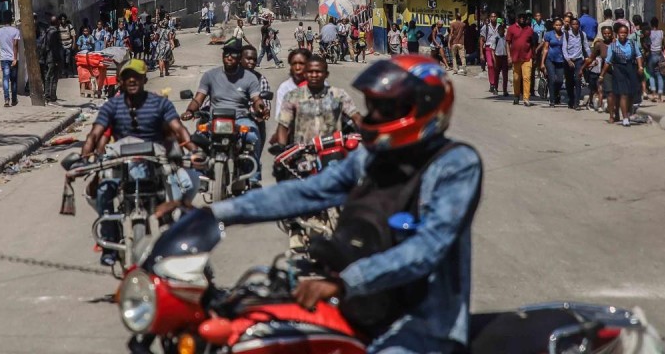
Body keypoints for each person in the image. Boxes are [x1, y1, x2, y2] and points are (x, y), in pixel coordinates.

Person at [171, 55, 482, 354]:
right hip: (362, 306)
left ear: (421, 108)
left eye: (384, 107)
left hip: (421, 322)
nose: (374, 115)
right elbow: (307, 193)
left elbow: (429, 246)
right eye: (372, 106)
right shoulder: (371, 157)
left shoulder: (454, 165)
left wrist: (345, 283)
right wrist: (217, 212)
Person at [78, 59, 200, 265]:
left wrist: (195, 151)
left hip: (156, 157)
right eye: (127, 76)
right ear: (120, 80)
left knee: (186, 185)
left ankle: (178, 237)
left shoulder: (160, 103)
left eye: (136, 76)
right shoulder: (111, 106)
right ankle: (110, 241)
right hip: (120, 160)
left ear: (145, 78)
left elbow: (179, 129)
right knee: (101, 190)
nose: (132, 80)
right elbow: (94, 135)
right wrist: (83, 159)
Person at [181, 40, 268, 186]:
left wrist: (261, 108)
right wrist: (190, 111)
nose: (229, 57)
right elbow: (198, 99)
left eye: (233, 54)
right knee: (198, 138)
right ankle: (200, 175)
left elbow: (257, 99)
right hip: (214, 120)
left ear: (239, 57)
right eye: (226, 53)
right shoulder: (210, 76)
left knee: (253, 136)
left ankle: (254, 179)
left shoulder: (250, 78)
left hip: (240, 119)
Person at [272, 54, 359, 146]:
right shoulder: (293, 96)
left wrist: (368, 133)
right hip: (303, 155)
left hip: (334, 151)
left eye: (318, 72)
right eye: (310, 72)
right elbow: (283, 125)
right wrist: (281, 148)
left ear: (326, 74)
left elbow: (356, 117)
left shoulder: (339, 95)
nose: (314, 75)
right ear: (305, 74)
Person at [600, 22, 643, 126]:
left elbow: (638, 55)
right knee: (623, 93)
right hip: (619, 69)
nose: (623, 34)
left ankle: (628, 112)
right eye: (621, 33)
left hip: (631, 68)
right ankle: (625, 117)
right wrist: (602, 75)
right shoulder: (613, 46)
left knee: (631, 93)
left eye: (625, 33)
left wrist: (640, 66)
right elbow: (608, 61)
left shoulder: (632, 43)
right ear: (617, 34)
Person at [506, 12, 537, 106]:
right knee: (516, 78)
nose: (523, 19)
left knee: (527, 77)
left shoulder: (529, 30)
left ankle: (526, 98)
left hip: (527, 57)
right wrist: (509, 56)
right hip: (515, 58)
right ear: (517, 18)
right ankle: (516, 95)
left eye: (524, 17)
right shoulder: (511, 29)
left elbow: (533, 44)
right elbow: (508, 43)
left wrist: (534, 55)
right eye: (521, 17)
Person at [583, 25, 613, 113]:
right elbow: (591, 58)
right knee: (600, 89)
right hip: (603, 71)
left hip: (616, 70)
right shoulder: (599, 45)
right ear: (602, 34)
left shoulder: (616, 43)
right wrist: (583, 68)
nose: (607, 35)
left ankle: (611, 106)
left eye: (609, 33)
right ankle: (600, 105)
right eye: (605, 33)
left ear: (612, 34)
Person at [538, 18, 567, 107]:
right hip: (550, 59)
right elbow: (545, 49)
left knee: (560, 81)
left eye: (560, 25)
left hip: (561, 60)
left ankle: (555, 92)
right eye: (556, 25)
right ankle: (552, 100)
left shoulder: (565, 35)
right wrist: (542, 63)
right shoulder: (549, 35)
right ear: (554, 25)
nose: (558, 26)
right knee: (552, 79)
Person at [0, 11, 20, 107]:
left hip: (4, 59)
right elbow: (15, 45)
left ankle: (6, 99)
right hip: (13, 58)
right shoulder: (16, 31)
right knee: (14, 80)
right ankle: (14, 99)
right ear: (11, 19)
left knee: (5, 79)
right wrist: (15, 58)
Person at [274, 49, 309, 122]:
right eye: (294, 64)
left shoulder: (320, 85)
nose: (297, 67)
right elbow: (281, 119)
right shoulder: (284, 88)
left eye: (301, 63)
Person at [562, 17, 589, 109]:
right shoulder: (566, 35)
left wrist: (589, 58)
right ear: (570, 25)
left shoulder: (582, 34)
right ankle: (571, 99)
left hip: (578, 60)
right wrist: (568, 60)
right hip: (568, 60)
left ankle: (576, 102)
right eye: (573, 24)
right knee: (569, 82)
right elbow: (564, 49)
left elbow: (586, 47)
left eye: (577, 24)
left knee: (578, 80)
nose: (575, 26)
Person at [644, 17, 665, 103]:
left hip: (651, 55)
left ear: (651, 24)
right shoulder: (661, 32)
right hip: (659, 55)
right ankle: (660, 95)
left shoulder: (650, 33)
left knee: (652, 75)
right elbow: (663, 43)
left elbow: (647, 43)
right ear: (657, 24)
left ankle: (653, 94)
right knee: (659, 75)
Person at [491, 22, 510, 97]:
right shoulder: (496, 38)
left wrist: (509, 57)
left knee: (505, 75)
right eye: (500, 30)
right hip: (497, 57)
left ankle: (505, 90)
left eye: (503, 30)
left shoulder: (506, 38)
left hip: (504, 57)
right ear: (498, 31)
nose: (502, 31)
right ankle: (496, 88)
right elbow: (492, 50)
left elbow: (508, 48)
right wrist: (494, 60)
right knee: (496, 74)